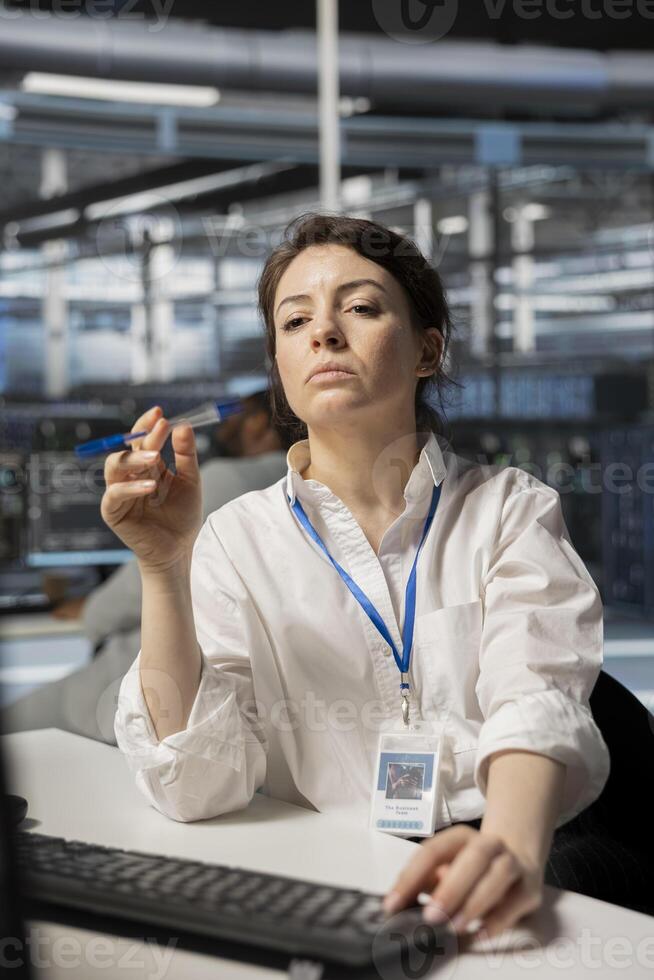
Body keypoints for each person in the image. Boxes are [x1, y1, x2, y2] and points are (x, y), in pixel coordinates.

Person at [104, 211, 629, 942]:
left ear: (426, 349)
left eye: (360, 307)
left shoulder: (507, 509)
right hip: (328, 872)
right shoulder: (235, 540)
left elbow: (534, 699)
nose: (323, 333)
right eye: (295, 321)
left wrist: (504, 848)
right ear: (281, 368)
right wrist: (163, 568)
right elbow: (198, 785)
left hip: (506, 847)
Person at [1, 390, 288, 744]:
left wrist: (89, 609)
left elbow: (110, 612)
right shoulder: (303, 486)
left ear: (258, 423)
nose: (223, 424)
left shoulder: (227, 480)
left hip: (141, 701)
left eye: (235, 414)